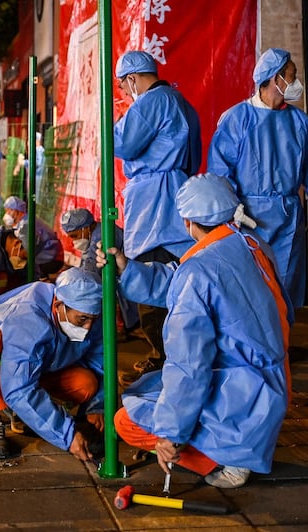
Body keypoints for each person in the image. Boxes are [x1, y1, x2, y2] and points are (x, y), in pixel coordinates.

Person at [97, 173, 293, 489]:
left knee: (127, 421)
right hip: (271, 382)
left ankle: (223, 460)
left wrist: (171, 434)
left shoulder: (198, 269)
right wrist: (127, 268)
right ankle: (236, 449)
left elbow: (189, 365)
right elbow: (183, 281)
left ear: (188, 221)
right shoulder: (253, 245)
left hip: (240, 397)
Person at [0, 267, 105, 461]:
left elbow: (100, 362)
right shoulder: (28, 318)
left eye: (92, 319)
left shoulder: (87, 312)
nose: (88, 327)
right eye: (82, 319)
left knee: (86, 383)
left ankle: (31, 413)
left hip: (38, 366)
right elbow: (18, 388)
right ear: (58, 305)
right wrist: (67, 434)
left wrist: (96, 407)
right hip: (0, 362)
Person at [207, 47, 308, 308]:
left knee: (284, 287)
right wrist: (232, 209)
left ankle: (281, 346)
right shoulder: (237, 119)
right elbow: (220, 170)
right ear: (275, 78)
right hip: (247, 219)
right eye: (291, 75)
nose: (295, 81)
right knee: (249, 289)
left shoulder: (300, 123)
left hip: (288, 218)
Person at [113, 50, 202, 383]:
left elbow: (122, 144)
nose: (124, 93)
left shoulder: (151, 101)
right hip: (178, 193)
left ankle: (164, 359)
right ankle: (176, 354)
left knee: (148, 279)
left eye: (123, 86)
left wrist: (114, 122)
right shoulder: (181, 101)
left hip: (153, 202)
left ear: (132, 78)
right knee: (177, 277)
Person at [60, 208, 138, 336]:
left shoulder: (101, 239)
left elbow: (89, 275)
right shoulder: (98, 232)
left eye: (75, 236)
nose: (74, 241)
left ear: (86, 228)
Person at [2, 195, 63, 277]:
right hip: (50, 257)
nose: (7, 214)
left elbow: (27, 251)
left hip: (49, 260)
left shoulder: (26, 225)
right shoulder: (26, 221)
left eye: (9, 211)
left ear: (18, 211)